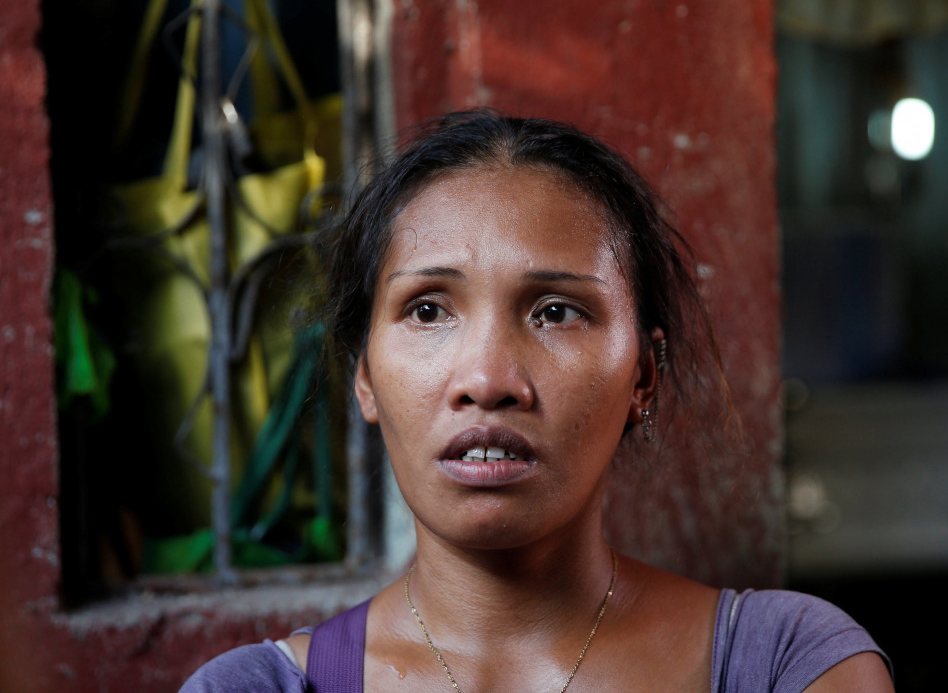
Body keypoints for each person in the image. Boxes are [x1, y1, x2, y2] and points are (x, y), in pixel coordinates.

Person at [181, 109, 893, 692]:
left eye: (556, 312)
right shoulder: (254, 689)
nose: (488, 380)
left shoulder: (789, 666)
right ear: (364, 374)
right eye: (428, 310)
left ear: (642, 376)